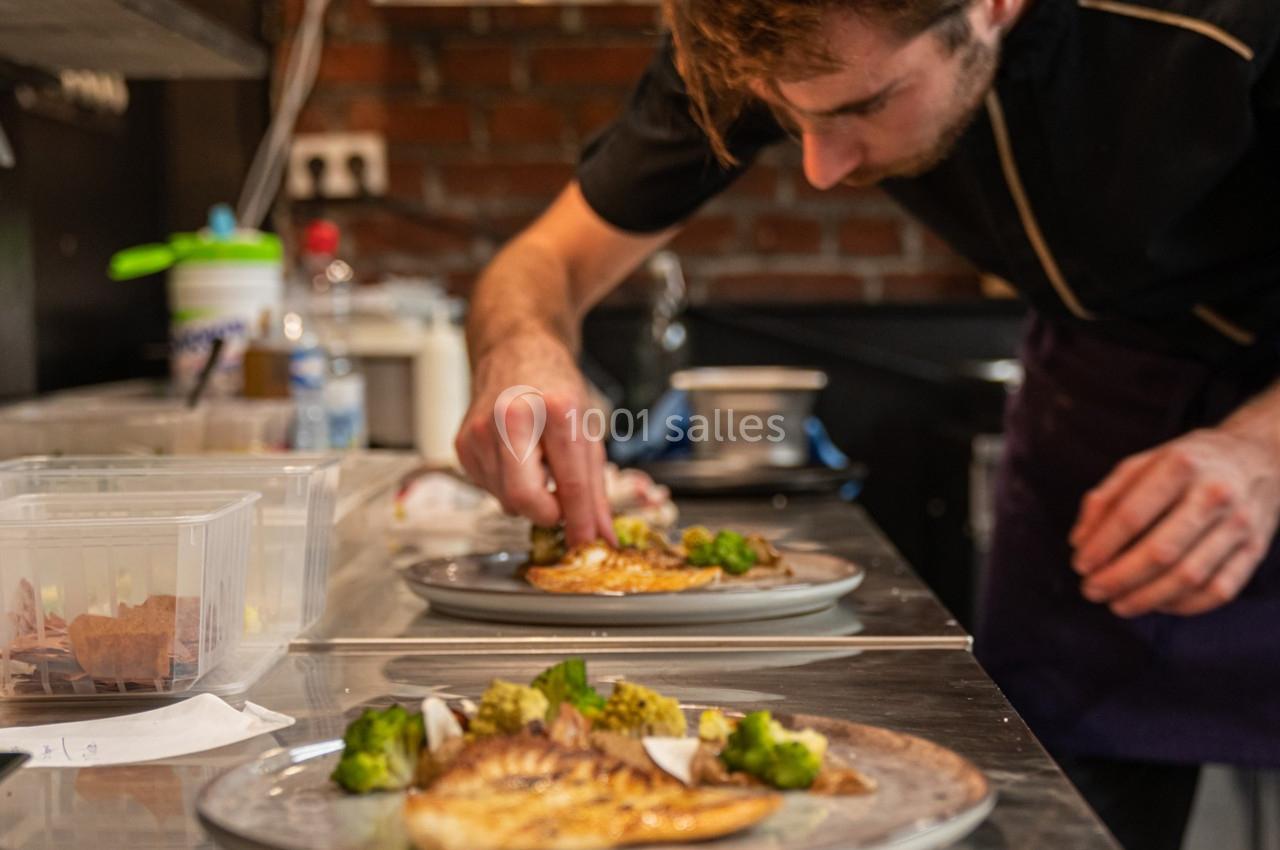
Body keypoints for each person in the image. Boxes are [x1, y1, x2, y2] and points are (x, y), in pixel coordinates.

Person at [455, 1, 1280, 847]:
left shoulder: (1223, 19)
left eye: (861, 109)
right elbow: (544, 260)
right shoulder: (759, 26)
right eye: (786, 118)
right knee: (1051, 805)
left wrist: (1261, 452)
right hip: (1099, 388)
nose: (819, 167)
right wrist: (521, 347)